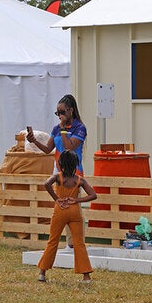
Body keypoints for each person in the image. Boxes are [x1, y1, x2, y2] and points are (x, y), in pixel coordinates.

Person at [37, 150, 97, 284]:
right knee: (79, 243)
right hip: (74, 211)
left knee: (53, 241)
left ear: (61, 164)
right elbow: (93, 195)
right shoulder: (79, 180)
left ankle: (42, 272)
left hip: (60, 210)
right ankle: (86, 276)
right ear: (76, 164)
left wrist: (57, 199)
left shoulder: (58, 177)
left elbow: (46, 183)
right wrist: (77, 200)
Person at [27, 94, 87, 174]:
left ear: (71, 110)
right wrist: (34, 141)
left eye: (62, 112)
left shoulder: (79, 128)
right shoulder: (56, 129)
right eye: (58, 113)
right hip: (58, 170)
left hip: (74, 171)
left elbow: (69, 148)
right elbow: (48, 149)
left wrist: (63, 129)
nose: (60, 116)